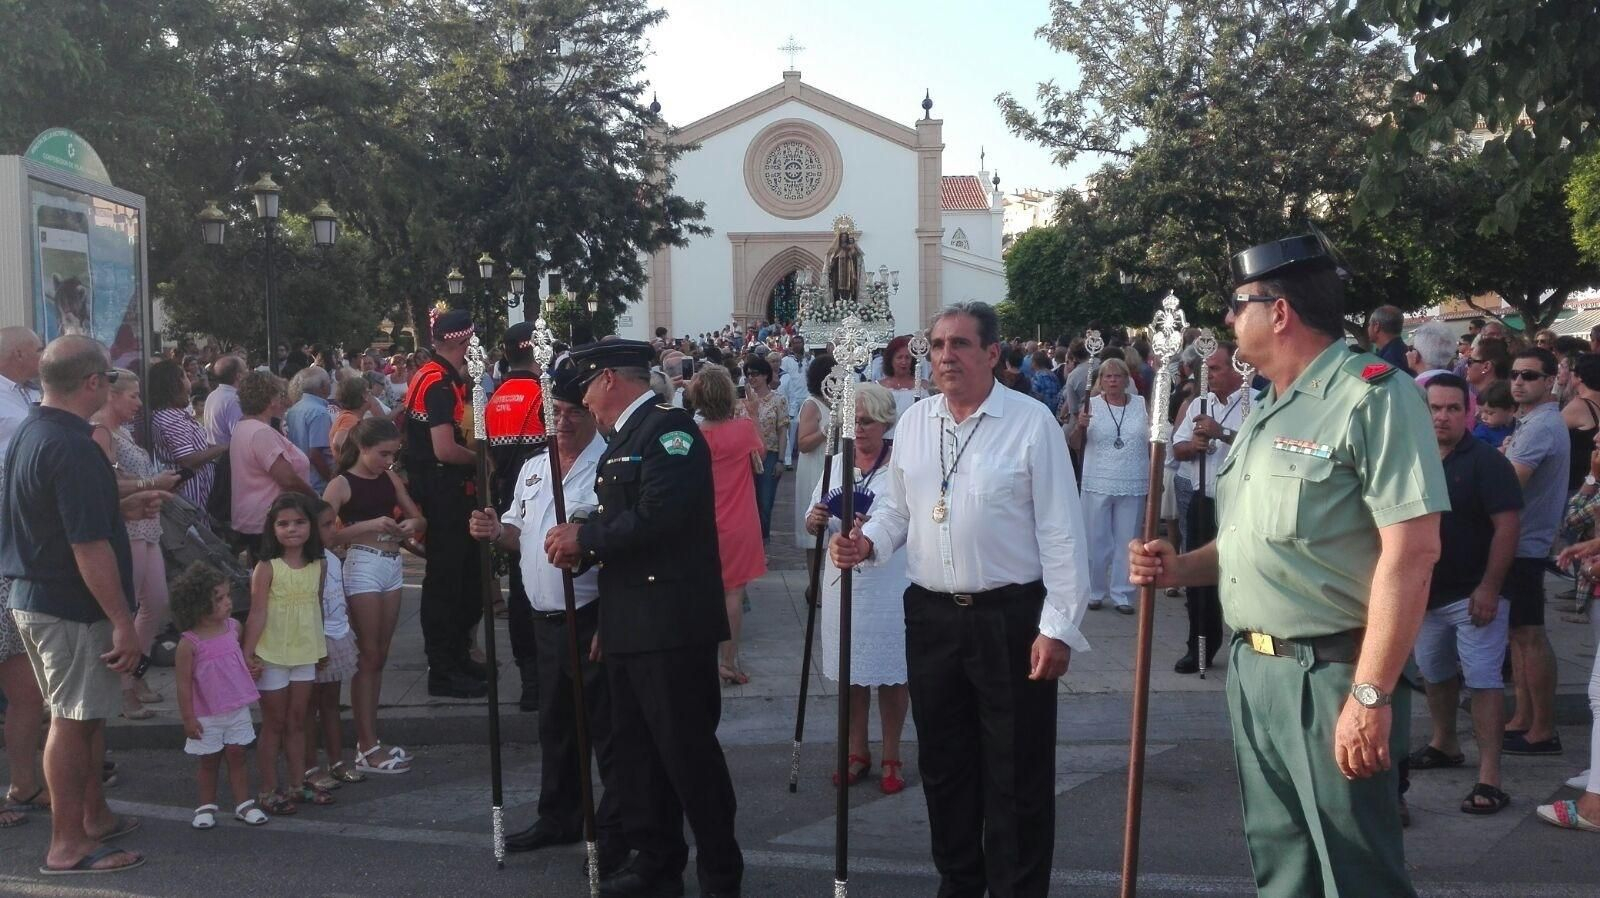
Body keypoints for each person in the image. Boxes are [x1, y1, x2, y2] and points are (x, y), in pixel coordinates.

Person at [1129, 234, 1448, 898]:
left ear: (1278, 312)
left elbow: (1412, 553)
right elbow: (1253, 543)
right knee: (1284, 868)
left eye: (1237, 304)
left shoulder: (1374, 396)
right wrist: (1178, 567)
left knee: (1357, 876)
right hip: (1257, 672)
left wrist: (1371, 694)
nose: (1226, 320)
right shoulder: (1266, 407)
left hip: (1332, 674)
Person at [830, 302, 1090, 898]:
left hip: (1010, 618)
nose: (946, 356)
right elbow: (900, 507)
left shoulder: (1031, 423)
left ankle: (1017, 887)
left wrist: (1058, 627)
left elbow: (1062, 533)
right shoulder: (916, 422)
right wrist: (867, 541)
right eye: (938, 344)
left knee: (1016, 769)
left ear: (992, 353)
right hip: (931, 616)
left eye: (960, 345)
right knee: (945, 766)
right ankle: (959, 881)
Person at [542, 340, 742, 898]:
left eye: (585, 387)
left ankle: (721, 873)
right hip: (633, 622)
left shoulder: (667, 431)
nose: (582, 400)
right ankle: (657, 863)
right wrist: (612, 616)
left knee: (687, 755)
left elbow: (661, 518)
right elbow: (627, 533)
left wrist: (586, 537)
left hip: (673, 625)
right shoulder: (623, 439)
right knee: (636, 757)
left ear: (609, 379)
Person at [1, 335, 166, 875]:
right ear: (93, 382)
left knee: (85, 716)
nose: (115, 386)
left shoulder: (35, 429)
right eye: (110, 378)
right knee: (71, 721)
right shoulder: (71, 443)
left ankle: (93, 818)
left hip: (43, 596)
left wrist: (118, 502)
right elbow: (86, 544)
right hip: (68, 604)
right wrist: (123, 621)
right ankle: (66, 844)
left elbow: (58, 513)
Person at [469, 362, 623, 863]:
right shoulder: (534, 467)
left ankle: (615, 832)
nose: (562, 421)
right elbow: (518, 535)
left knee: (606, 731)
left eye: (573, 412)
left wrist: (611, 620)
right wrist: (496, 531)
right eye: (555, 412)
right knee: (555, 726)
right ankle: (559, 816)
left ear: (592, 414)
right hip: (543, 617)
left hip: (590, 616)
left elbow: (620, 548)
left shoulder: (608, 466)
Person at [1405, 375, 1521, 815]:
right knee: (1434, 673)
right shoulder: (1412, 458)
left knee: (1483, 680)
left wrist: (1490, 587)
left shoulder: (1488, 463)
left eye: (1453, 408)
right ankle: (1444, 742)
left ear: (1467, 411)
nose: (1443, 416)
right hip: (1427, 593)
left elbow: (1507, 526)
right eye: (1435, 408)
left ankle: (1490, 776)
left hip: (1474, 594)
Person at [804, 382, 911, 794]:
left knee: (891, 675)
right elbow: (816, 514)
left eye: (867, 421)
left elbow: (906, 518)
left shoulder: (899, 465)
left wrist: (873, 533)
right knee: (851, 674)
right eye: (852, 421)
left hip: (888, 584)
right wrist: (815, 520)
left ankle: (891, 753)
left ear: (886, 421)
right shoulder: (836, 463)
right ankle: (855, 751)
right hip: (842, 581)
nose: (859, 429)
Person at [323, 417, 423, 774]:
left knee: (378, 655)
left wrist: (411, 525)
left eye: (393, 455)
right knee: (368, 655)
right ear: (362, 448)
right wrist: (367, 526)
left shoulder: (387, 477)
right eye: (383, 454)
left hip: (391, 564)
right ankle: (366, 745)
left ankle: (371, 741)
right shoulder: (340, 484)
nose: (388, 462)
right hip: (362, 564)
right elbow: (324, 535)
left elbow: (416, 517)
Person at [402, 308, 487, 699]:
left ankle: (456, 659)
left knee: (463, 580)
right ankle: (444, 668)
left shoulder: (431, 375)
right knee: (447, 583)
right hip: (444, 494)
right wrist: (481, 459)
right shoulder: (438, 383)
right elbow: (443, 448)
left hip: (444, 492)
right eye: (471, 344)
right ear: (460, 343)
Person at [88, 368, 181, 719]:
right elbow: (108, 483)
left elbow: (124, 478)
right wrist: (152, 483)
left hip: (147, 525)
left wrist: (152, 488)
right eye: (133, 396)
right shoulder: (102, 432)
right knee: (132, 607)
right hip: (128, 527)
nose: (139, 404)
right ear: (112, 395)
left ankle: (136, 677)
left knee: (155, 602)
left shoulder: (121, 432)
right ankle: (125, 689)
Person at [241, 493, 331, 815]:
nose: (292, 529)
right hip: (274, 654)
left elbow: (316, 606)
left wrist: (320, 648)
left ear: (311, 526)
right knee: (274, 723)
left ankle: (296, 784)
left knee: (298, 720)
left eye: (299, 522)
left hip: (305, 652)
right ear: (272, 528)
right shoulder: (267, 567)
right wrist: (248, 654)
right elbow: (257, 613)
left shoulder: (318, 564)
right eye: (283, 524)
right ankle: (268, 789)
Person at [1500, 347, 1569, 757]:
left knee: (1530, 635)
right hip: (1520, 542)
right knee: (1519, 635)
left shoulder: (1542, 424)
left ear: (1548, 381)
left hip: (1526, 543)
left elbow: (1508, 485)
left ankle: (1542, 728)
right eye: (1515, 374)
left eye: (1529, 375)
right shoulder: (1532, 421)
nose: (1520, 381)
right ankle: (1524, 718)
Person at [170, 561, 270, 829]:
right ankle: (205, 806)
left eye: (227, 596)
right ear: (198, 604)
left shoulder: (233, 628)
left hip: (236, 707)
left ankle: (244, 804)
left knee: (237, 754)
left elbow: (237, 660)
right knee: (209, 760)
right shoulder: (188, 644)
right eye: (220, 598)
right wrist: (188, 718)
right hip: (206, 713)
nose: (228, 602)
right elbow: (182, 684)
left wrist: (251, 668)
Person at [1168, 341, 1246, 673]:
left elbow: (1257, 444)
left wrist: (1222, 433)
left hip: (1241, 503)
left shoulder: (1256, 403)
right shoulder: (1200, 403)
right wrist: (1193, 445)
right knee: (1199, 578)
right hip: (1204, 499)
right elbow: (1178, 445)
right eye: (1206, 368)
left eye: (1215, 368)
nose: (1208, 375)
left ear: (1236, 370)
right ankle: (1199, 645)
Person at [484, 322, 549, 712]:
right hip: (543, 497)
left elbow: (486, 456)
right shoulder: (545, 395)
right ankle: (549, 668)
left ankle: (529, 680)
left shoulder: (491, 400)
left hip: (509, 501)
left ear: (506, 355)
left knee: (520, 589)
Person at [0, 326, 48, 826]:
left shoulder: (26, 396)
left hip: (11, 565)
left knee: (26, 691)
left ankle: (24, 784)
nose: (41, 355)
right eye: (36, 348)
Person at [692, 366, 767, 685]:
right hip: (739, 521)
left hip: (701, 523)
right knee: (733, 594)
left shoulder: (693, 434)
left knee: (700, 592)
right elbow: (763, 451)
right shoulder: (742, 430)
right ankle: (727, 661)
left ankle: (701, 659)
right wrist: (753, 415)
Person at [1070, 357, 1149, 614]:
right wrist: (1080, 426)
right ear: (1101, 381)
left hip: (1132, 477)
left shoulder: (1139, 404)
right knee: (1096, 538)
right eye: (1108, 377)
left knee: (1128, 538)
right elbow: (1074, 442)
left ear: (1127, 380)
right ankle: (1094, 589)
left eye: (1117, 376)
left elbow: (1149, 439)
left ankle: (1123, 594)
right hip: (1098, 479)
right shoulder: (1090, 405)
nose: (1113, 381)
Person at [304, 502, 363, 792]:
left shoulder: (332, 558)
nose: (333, 530)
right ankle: (308, 766)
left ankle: (337, 761)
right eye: (326, 525)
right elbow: (312, 605)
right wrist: (317, 646)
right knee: (308, 707)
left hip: (337, 636)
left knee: (330, 703)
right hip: (316, 641)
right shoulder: (310, 563)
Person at [231, 372, 316, 559]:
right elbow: (287, 478)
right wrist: (316, 500)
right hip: (269, 520)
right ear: (271, 400)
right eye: (280, 395)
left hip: (253, 517)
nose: (283, 400)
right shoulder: (261, 432)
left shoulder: (243, 427)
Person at [147, 359, 226, 510]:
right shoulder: (169, 418)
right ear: (174, 384)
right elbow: (188, 460)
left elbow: (196, 445)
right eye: (184, 376)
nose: (189, 381)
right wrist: (223, 447)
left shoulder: (177, 413)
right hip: (189, 491)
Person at [741, 356, 787, 543]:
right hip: (745, 455)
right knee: (747, 501)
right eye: (748, 374)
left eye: (756, 374)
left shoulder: (778, 400)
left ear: (766, 375)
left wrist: (781, 460)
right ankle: (750, 541)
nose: (752, 378)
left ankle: (762, 541)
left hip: (770, 453)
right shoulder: (742, 400)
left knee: (765, 501)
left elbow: (782, 430)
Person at [792, 355, 835, 558]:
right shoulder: (812, 405)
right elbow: (803, 444)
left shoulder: (836, 403)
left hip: (833, 465)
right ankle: (814, 587)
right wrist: (827, 430)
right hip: (815, 468)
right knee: (816, 531)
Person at [285, 366, 335, 495]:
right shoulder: (319, 413)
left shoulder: (294, 409)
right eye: (329, 382)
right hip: (317, 483)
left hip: (300, 478)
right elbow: (316, 454)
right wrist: (331, 479)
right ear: (323, 387)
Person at [1563, 354, 1600, 492]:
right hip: (1593, 481)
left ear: (1579, 377)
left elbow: (1549, 431)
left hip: (1576, 485)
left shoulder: (1578, 406)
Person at [203, 353, 246, 446]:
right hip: (228, 456)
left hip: (216, 454)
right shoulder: (234, 400)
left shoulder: (213, 395)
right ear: (239, 376)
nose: (248, 372)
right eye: (245, 370)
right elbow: (240, 437)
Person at [328, 376, 367, 456]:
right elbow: (338, 443)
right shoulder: (350, 418)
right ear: (363, 396)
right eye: (368, 392)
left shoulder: (347, 415)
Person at [1473, 380, 1517, 448]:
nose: (1483, 417)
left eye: (1490, 413)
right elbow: (1481, 455)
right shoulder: (1481, 432)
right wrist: (1503, 448)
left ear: (1510, 409)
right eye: (1481, 412)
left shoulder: (1519, 427)